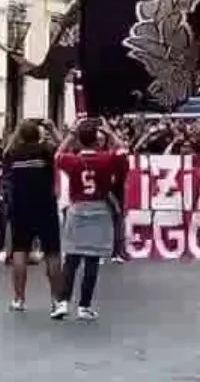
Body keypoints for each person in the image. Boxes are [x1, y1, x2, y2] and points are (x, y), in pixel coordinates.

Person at [55, 119, 128, 320]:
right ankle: (84, 305)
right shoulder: (107, 160)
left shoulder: (73, 161)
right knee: (92, 259)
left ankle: (62, 302)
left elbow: (58, 154)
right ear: (97, 141)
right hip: (99, 209)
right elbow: (123, 151)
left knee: (71, 258)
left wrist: (71, 134)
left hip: (77, 209)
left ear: (80, 141)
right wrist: (110, 132)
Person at [1, 120, 65, 313]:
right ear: (39, 135)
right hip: (45, 205)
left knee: (20, 252)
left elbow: (7, 149)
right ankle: (57, 300)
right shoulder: (46, 151)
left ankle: (19, 299)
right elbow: (64, 149)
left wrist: (18, 131)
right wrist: (52, 129)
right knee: (52, 253)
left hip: (20, 206)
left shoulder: (13, 154)